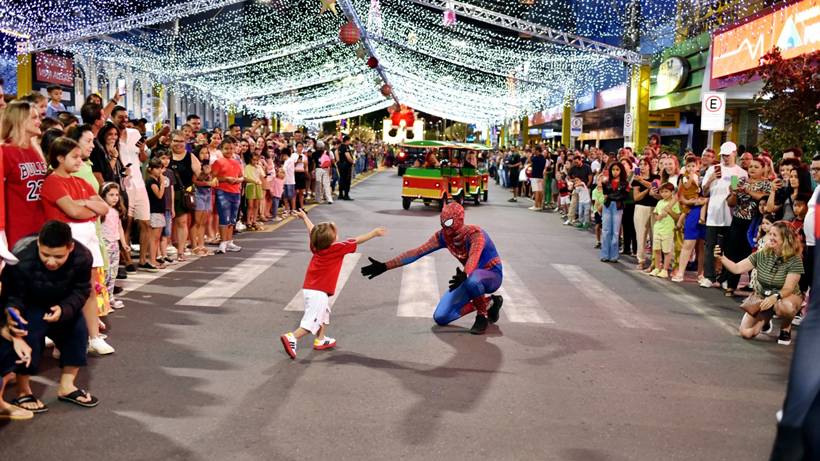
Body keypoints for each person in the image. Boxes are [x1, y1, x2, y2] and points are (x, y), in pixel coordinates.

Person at [361, 202, 504, 335]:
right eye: (442, 222)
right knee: (441, 317)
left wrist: (465, 274)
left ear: (459, 220)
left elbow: (474, 256)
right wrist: (386, 265)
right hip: (467, 278)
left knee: (473, 280)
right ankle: (490, 302)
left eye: (448, 222)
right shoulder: (443, 236)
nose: (444, 226)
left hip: (491, 275)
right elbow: (417, 252)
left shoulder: (475, 234)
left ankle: (481, 315)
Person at [2, 221, 100, 411]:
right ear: (38, 243)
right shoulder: (20, 257)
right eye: (45, 255)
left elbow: (81, 291)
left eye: (58, 256)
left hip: (62, 303)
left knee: (78, 330)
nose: (51, 261)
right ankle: (23, 391)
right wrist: (13, 316)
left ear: (70, 247)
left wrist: (64, 309)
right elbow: (12, 296)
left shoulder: (83, 256)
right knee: (29, 334)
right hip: (30, 304)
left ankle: (67, 386)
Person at [40, 137, 113, 355]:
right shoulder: (52, 182)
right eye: (74, 157)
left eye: (80, 157)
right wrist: (89, 207)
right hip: (66, 238)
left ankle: (94, 337)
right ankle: (63, 339)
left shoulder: (80, 182)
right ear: (60, 158)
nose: (79, 161)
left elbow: (104, 208)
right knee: (65, 291)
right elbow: (74, 212)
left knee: (89, 290)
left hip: (89, 237)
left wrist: (86, 203)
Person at [280, 210, 385, 359]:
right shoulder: (337, 248)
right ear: (332, 239)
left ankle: (321, 340)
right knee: (312, 321)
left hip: (311, 288)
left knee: (323, 314)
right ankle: (292, 337)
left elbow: (313, 232)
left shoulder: (316, 246)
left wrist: (305, 218)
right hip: (318, 292)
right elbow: (357, 240)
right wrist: (373, 233)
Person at [715, 221, 803, 346]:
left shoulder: (795, 260)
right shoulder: (762, 254)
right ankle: (765, 321)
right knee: (746, 333)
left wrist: (775, 297)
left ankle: (785, 328)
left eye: (775, 235)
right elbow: (737, 268)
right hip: (763, 298)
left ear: (785, 239)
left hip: (785, 297)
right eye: (770, 234)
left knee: (786, 307)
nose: (771, 237)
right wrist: (722, 258)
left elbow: (788, 288)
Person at [700, 142, 748, 288]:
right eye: (723, 155)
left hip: (731, 216)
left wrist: (735, 190)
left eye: (728, 155)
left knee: (728, 248)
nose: (725, 158)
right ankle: (709, 276)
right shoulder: (713, 169)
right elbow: (704, 192)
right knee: (710, 246)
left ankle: (725, 278)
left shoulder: (741, 173)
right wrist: (711, 178)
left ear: (734, 153)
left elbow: (742, 195)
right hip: (713, 214)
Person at [1, 100, 47, 250]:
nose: (39, 122)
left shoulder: (34, 149)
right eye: (34, 118)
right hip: (15, 233)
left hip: (40, 227)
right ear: (19, 120)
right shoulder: (5, 151)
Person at [168, 130, 201, 261]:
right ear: (170, 141)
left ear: (185, 142)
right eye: (175, 141)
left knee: (182, 222)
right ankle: (163, 252)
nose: (178, 144)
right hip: (163, 193)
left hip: (182, 194)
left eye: (181, 141)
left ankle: (180, 252)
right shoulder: (164, 155)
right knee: (164, 225)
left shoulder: (190, 157)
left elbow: (200, 174)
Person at [211, 137, 243, 254]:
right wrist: (225, 179)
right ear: (222, 149)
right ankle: (223, 243)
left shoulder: (236, 162)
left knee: (233, 219)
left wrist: (238, 180)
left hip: (236, 192)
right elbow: (212, 177)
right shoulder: (218, 162)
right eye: (226, 149)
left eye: (231, 149)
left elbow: (241, 176)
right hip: (223, 192)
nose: (229, 151)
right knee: (224, 218)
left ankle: (229, 242)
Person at [100, 182, 127, 309]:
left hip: (115, 245)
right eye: (111, 195)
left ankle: (110, 298)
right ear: (104, 195)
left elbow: (119, 227)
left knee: (113, 273)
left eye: (117, 195)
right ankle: (103, 301)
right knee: (105, 273)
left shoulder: (116, 211)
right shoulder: (102, 211)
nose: (115, 197)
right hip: (105, 245)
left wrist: (124, 243)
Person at [632, 157, 660, 270]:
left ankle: (655, 261)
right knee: (641, 235)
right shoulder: (635, 180)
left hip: (655, 208)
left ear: (650, 166)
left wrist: (642, 181)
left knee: (655, 235)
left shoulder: (656, 177)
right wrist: (647, 190)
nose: (643, 166)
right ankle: (641, 260)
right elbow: (636, 197)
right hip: (641, 208)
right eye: (641, 164)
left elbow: (656, 186)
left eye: (645, 164)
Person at [648, 183, 681, 278]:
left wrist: (670, 211)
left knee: (667, 251)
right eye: (662, 192)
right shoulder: (659, 202)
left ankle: (665, 269)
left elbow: (678, 217)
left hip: (668, 230)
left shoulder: (675, 203)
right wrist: (659, 216)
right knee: (657, 250)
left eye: (666, 191)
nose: (664, 194)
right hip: (658, 229)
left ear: (672, 192)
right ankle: (657, 268)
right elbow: (655, 214)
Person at [599, 162, 629, 263]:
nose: (615, 172)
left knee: (615, 232)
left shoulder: (625, 183)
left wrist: (611, 196)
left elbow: (624, 196)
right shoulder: (606, 182)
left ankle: (614, 255)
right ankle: (605, 254)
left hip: (618, 206)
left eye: (617, 169)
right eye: (613, 169)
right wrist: (605, 185)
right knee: (606, 230)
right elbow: (605, 194)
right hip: (607, 206)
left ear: (621, 171)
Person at [145, 158, 169, 270]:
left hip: (159, 212)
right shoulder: (151, 181)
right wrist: (163, 183)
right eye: (157, 168)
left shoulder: (155, 180)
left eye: (160, 168)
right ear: (151, 169)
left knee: (157, 238)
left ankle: (154, 260)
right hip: (154, 212)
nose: (160, 171)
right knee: (153, 238)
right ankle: (152, 260)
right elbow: (159, 195)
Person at [337, 135, 354, 200]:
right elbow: (348, 156)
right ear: (347, 140)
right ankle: (346, 195)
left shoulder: (340, 147)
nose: (350, 142)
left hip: (341, 165)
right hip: (346, 166)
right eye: (350, 140)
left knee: (341, 180)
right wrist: (352, 162)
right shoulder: (346, 147)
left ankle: (340, 194)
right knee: (347, 180)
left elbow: (337, 154)